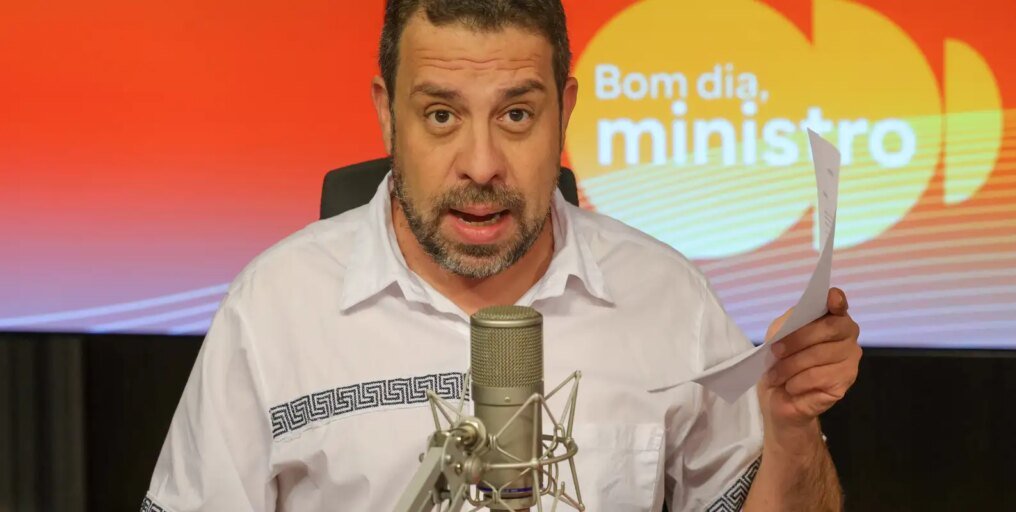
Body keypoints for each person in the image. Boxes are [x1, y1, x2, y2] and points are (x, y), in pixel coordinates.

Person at [143, 1, 862, 510]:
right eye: (441, 115)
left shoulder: (668, 298)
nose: (482, 164)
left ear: (565, 112)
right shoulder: (274, 307)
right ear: (386, 113)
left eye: (516, 115)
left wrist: (791, 433)